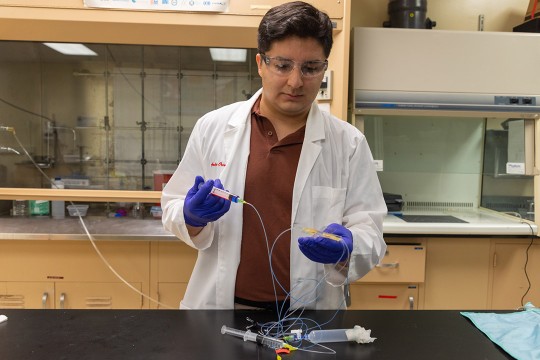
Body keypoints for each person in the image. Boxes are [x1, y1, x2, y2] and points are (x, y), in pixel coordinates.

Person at [161, 1, 387, 310]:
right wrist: (190, 216)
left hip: (307, 315)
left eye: (310, 68)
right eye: (282, 65)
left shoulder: (348, 143)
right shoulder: (212, 128)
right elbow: (172, 205)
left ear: (323, 68)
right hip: (222, 310)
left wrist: (349, 248)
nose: (296, 82)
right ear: (260, 64)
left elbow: (370, 231)